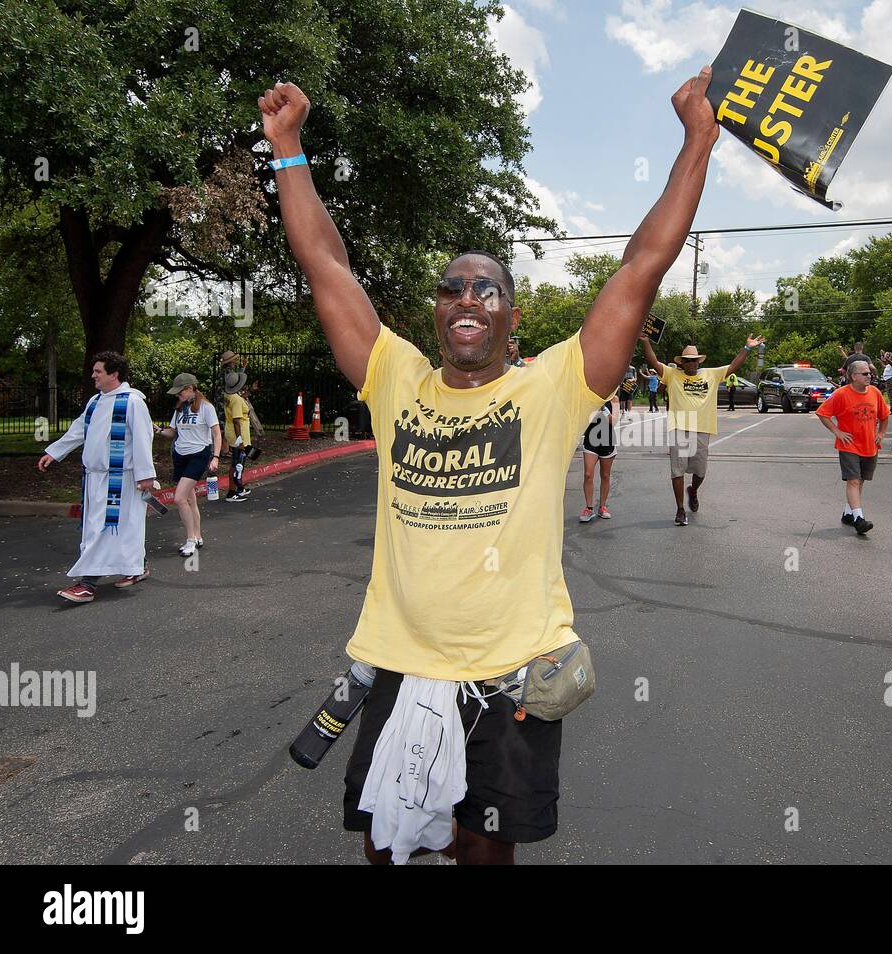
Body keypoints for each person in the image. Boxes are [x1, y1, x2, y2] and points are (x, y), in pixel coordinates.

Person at [259, 67, 718, 865]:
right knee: (385, 848)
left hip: (511, 678)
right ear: (434, 310)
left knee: (483, 850)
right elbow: (326, 265)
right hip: (399, 667)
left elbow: (641, 264)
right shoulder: (392, 376)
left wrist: (697, 141)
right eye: (451, 287)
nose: (467, 296)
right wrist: (289, 149)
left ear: (512, 313)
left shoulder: (554, 387)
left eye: (487, 288)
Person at [37, 352, 157, 602]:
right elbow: (78, 430)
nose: (93, 375)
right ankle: (138, 565)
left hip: (119, 480)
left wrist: (146, 475)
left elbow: (144, 438)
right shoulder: (95, 401)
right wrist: (54, 452)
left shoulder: (132, 402)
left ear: (114, 375)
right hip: (94, 478)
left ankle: (87, 584)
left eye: (98, 371)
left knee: (102, 530)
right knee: (117, 529)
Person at [639, 335, 763, 526]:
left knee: (700, 472)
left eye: (694, 361)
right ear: (682, 363)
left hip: (702, 428)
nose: (691, 364)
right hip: (679, 426)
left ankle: (694, 490)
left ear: (698, 361)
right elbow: (653, 362)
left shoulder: (710, 374)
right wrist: (646, 342)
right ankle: (680, 510)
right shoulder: (673, 375)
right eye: (688, 361)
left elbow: (732, 367)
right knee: (677, 470)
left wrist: (747, 348)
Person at [815, 360, 889, 535]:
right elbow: (822, 413)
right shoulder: (841, 394)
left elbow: (884, 415)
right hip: (849, 445)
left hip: (870, 445)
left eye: (869, 373)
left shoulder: (875, 392)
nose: (869, 376)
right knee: (853, 480)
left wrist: (881, 434)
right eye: (865, 374)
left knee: (860, 479)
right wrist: (837, 432)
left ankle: (848, 513)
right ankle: (858, 519)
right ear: (853, 376)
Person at [155, 373, 221, 557]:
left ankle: (190, 540)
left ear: (191, 388)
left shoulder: (206, 408)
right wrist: (159, 431)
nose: (178, 396)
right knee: (190, 499)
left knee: (179, 498)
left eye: (180, 392)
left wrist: (215, 456)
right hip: (180, 456)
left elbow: (216, 433)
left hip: (198, 455)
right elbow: (172, 432)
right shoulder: (179, 409)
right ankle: (198, 536)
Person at [579, 391, 620, 522]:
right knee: (588, 474)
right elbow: (583, 419)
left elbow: (613, 422)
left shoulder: (614, 399)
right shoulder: (589, 396)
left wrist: (602, 407)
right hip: (591, 440)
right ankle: (589, 508)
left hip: (607, 440)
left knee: (605, 475)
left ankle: (602, 507)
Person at [222, 371, 253, 501]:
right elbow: (236, 420)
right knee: (237, 463)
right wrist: (240, 440)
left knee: (239, 461)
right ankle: (232, 492)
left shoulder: (229, 396)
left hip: (233, 433)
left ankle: (239, 487)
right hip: (238, 435)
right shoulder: (236, 400)